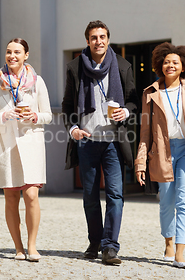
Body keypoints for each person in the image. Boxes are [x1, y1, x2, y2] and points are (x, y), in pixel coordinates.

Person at [61, 21, 138, 265]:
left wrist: (125, 112)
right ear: (87, 41)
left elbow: (134, 101)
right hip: (88, 141)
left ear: (108, 39)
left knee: (115, 194)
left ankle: (110, 247)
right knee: (90, 196)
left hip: (113, 142)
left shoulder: (123, 66)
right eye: (94, 37)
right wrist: (73, 128)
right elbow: (67, 105)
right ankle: (95, 242)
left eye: (102, 37)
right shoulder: (75, 67)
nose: (99, 41)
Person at [135, 42, 185, 269]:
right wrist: (141, 162)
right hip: (162, 151)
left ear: (183, 67)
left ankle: (180, 251)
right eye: (167, 62)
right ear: (161, 65)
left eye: (175, 62)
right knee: (167, 201)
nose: (170, 65)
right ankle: (168, 241)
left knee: (184, 200)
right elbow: (145, 132)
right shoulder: (150, 93)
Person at [0, 38, 52, 262]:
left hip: (31, 141)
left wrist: (34, 116)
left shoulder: (37, 81)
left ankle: (32, 246)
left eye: (17, 52)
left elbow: (48, 115)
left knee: (31, 195)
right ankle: (18, 247)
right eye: (9, 52)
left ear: (26, 55)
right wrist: (2, 115)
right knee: (11, 198)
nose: (12, 56)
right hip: (6, 144)